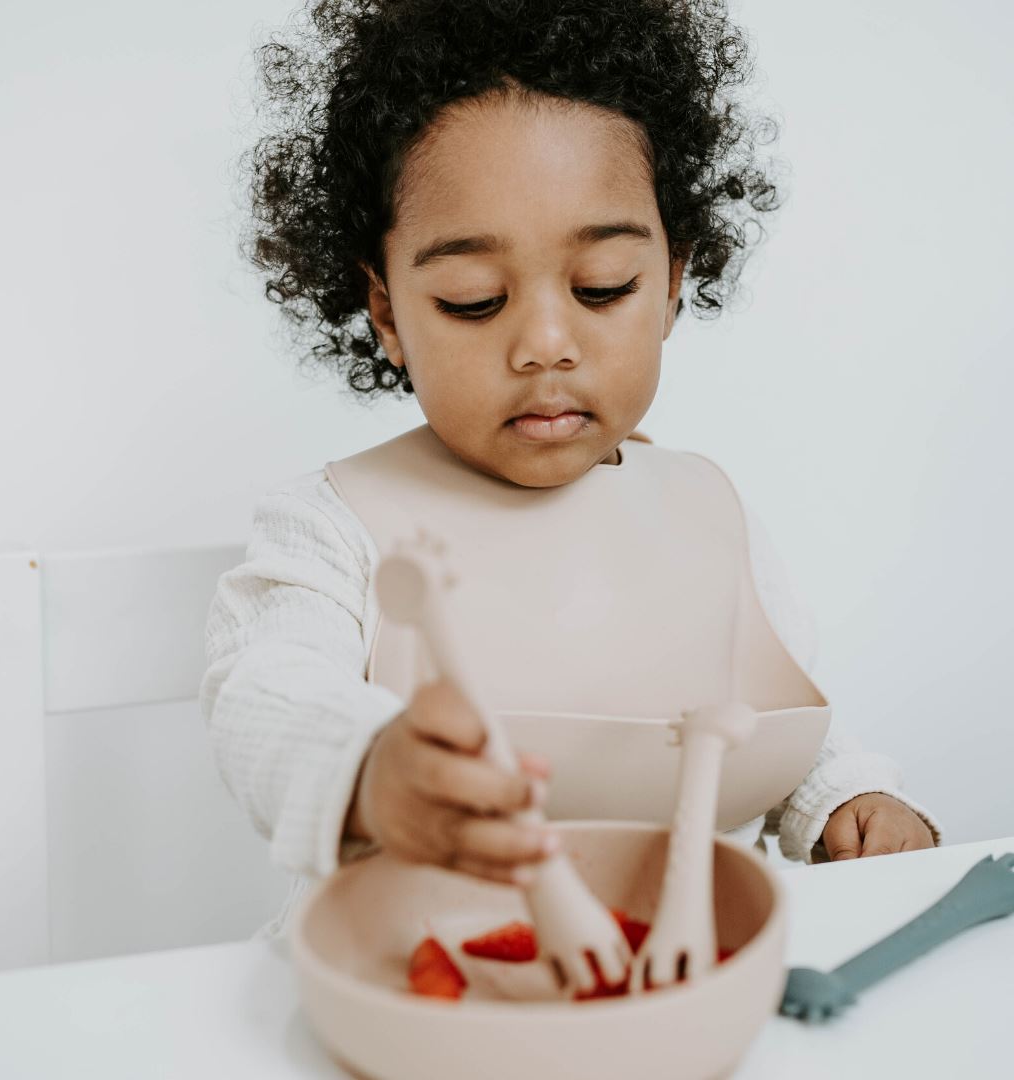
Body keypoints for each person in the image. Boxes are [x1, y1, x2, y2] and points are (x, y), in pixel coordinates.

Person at [202, 0, 940, 935]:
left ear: (673, 283)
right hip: (422, 989)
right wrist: (367, 768)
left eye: (602, 288)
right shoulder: (334, 526)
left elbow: (770, 726)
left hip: (672, 984)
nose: (545, 344)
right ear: (387, 312)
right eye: (473, 301)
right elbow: (262, 695)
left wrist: (842, 803)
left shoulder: (706, 511)